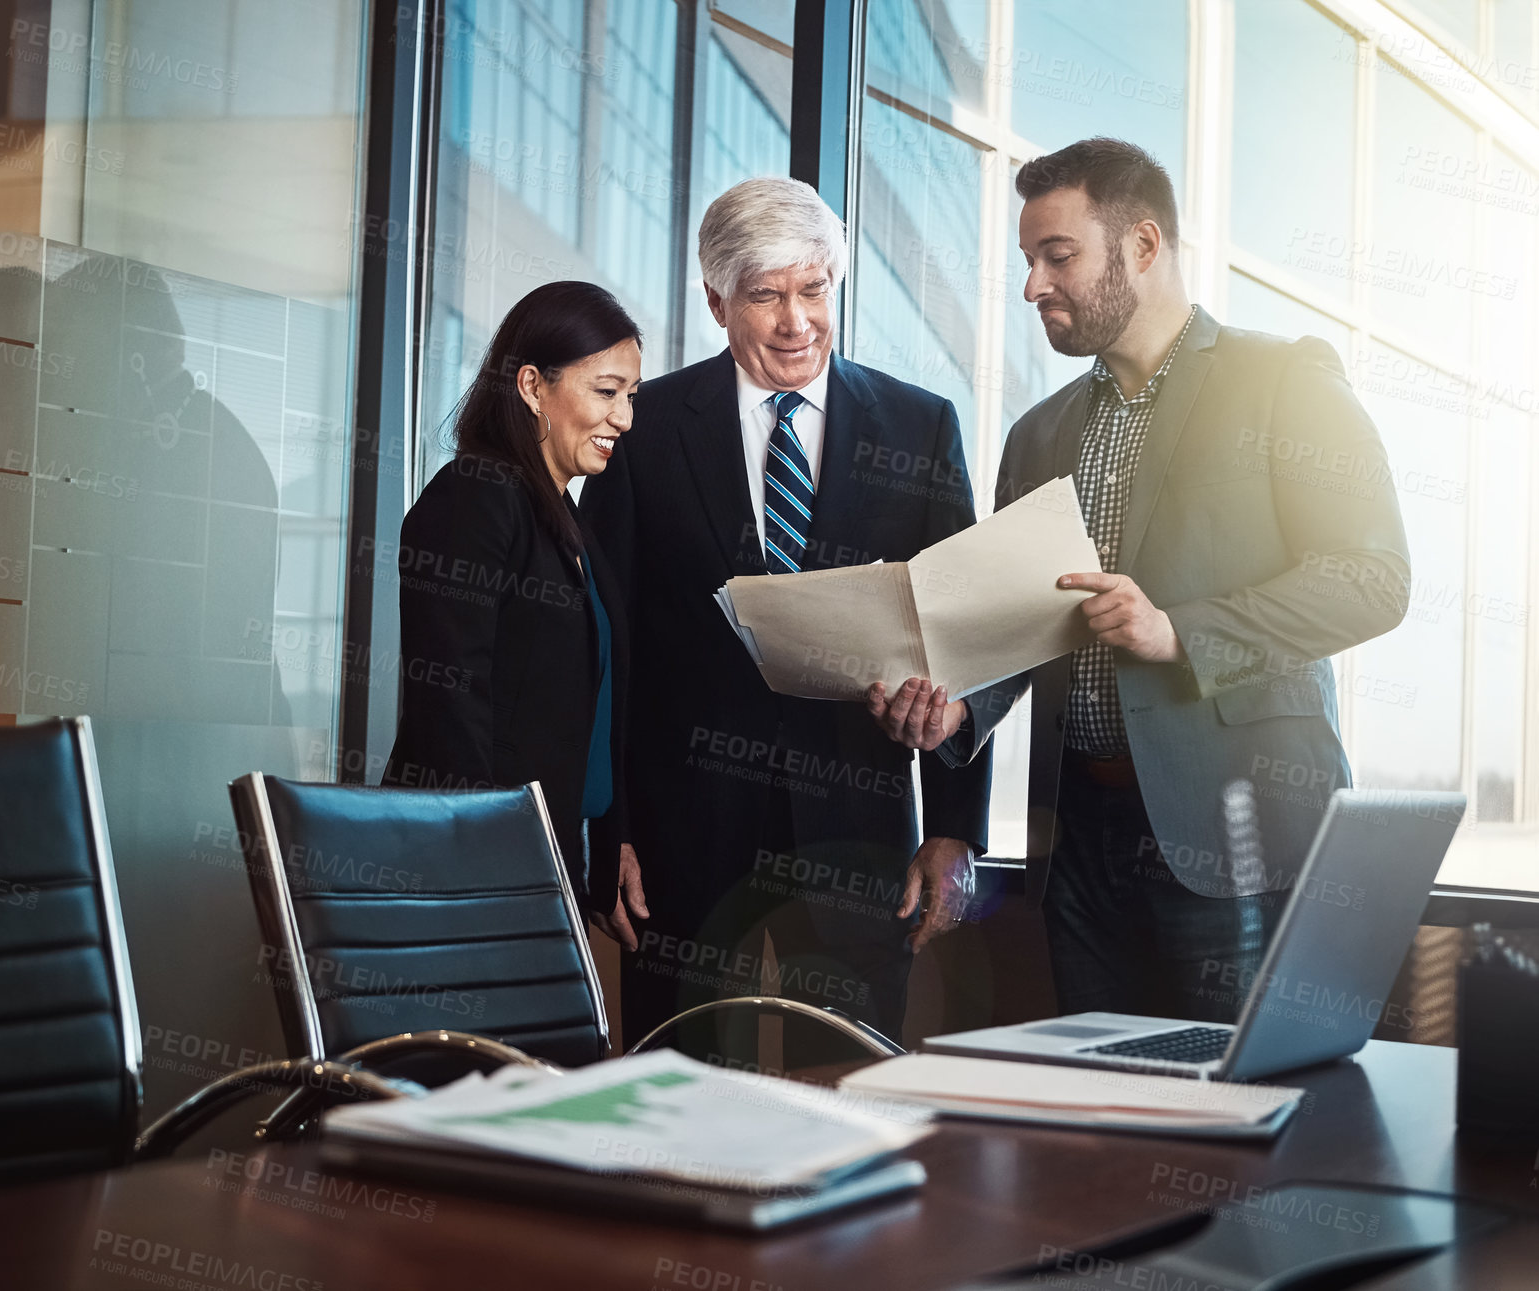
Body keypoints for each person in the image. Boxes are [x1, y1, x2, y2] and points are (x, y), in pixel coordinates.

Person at [868, 138, 1410, 1023]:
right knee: (1103, 1121)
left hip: (1235, 834)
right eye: (1027, 261)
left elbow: (1374, 577)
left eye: (1058, 255)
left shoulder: (1285, 380)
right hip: (1077, 841)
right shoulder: (1037, 436)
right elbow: (1022, 624)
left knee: (1239, 1121)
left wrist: (1179, 631)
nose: (1035, 284)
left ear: (1145, 246)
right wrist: (959, 708)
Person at [580, 176, 991, 1051]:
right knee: (678, 1099)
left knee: (847, 1096)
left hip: (859, 832)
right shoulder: (643, 429)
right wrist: (607, 831)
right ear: (717, 300)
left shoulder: (919, 428)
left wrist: (954, 828)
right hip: (680, 838)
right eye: (766, 296)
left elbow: (962, 635)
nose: (795, 320)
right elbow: (605, 642)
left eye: (814, 290)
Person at [383, 280, 649, 950]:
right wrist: (491, 858)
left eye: (632, 396)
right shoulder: (478, 493)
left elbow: (594, 703)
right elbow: (449, 694)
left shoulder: (569, 521)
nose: (625, 419)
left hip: (548, 852)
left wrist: (610, 836)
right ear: (532, 386)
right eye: (607, 391)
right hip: (476, 864)